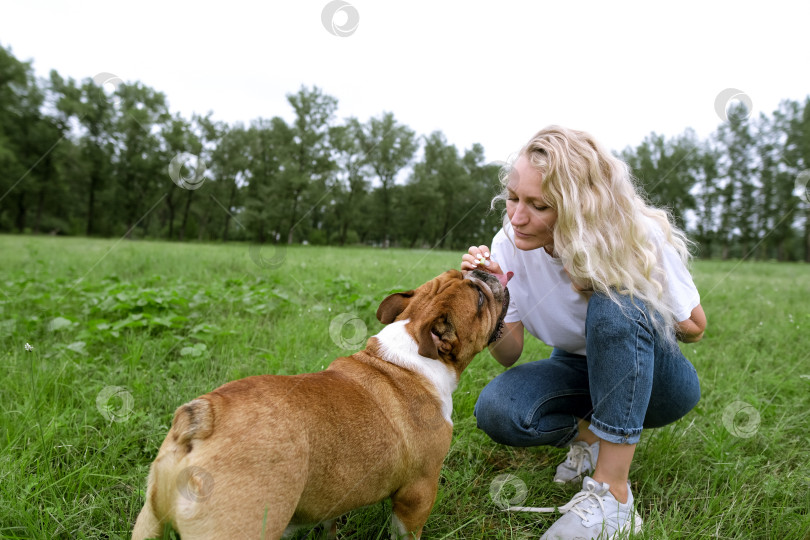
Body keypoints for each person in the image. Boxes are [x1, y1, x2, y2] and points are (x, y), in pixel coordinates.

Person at [461, 125, 705, 539]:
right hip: (578, 369)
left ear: (579, 207)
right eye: (513, 198)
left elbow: (695, 328)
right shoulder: (508, 243)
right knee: (498, 410)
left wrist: (616, 281)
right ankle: (593, 439)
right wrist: (493, 296)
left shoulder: (633, 234)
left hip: (658, 383)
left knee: (616, 305)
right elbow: (509, 353)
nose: (517, 217)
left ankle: (613, 497)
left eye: (538, 205)